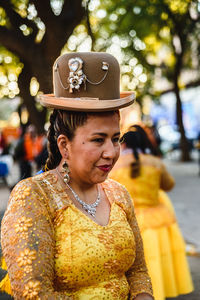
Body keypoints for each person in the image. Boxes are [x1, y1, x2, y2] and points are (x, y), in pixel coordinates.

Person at [0, 52, 153, 299]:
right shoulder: (34, 197)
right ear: (64, 145)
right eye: (98, 140)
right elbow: (34, 293)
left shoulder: (118, 193)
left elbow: (138, 272)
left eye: (115, 139)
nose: (111, 152)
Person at [110, 125, 194, 300]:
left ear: (123, 144)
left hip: (128, 222)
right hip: (158, 220)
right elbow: (168, 185)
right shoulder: (155, 162)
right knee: (157, 263)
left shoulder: (114, 167)